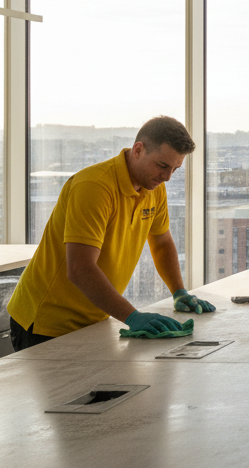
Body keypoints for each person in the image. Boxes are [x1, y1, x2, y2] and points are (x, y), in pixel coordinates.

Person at [7, 116, 213, 350]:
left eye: (175, 169)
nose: (167, 177)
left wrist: (179, 291)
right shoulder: (94, 187)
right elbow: (79, 268)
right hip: (46, 323)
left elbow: (162, 242)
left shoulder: (153, 187)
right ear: (138, 150)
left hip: (95, 319)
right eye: (162, 165)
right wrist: (132, 316)